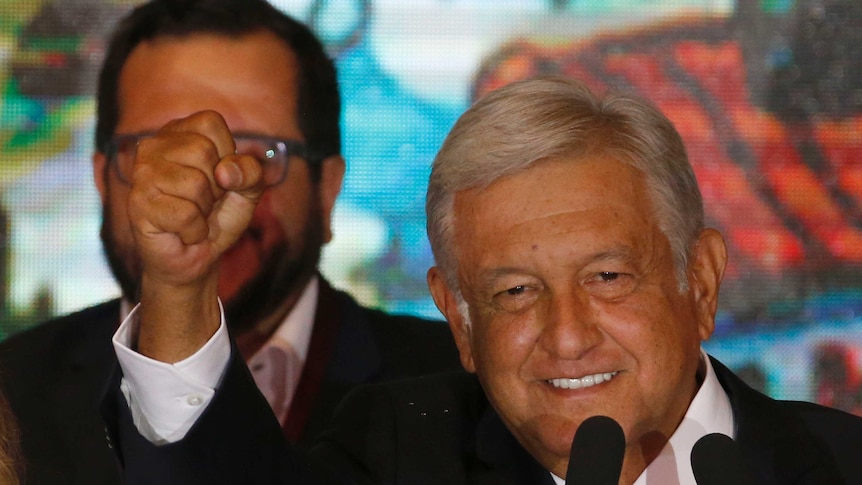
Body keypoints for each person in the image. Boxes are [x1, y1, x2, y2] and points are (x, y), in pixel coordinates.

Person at [107, 76, 862, 484]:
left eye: (607, 275)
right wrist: (178, 285)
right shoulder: (404, 453)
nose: (567, 335)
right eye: (514, 292)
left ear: (699, 282)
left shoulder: (839, 463)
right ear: (460, 321)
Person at [0, 1, 459, 484]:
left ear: (327, 189)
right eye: (161, 155)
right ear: (101, 180)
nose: (207, 191)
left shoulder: (461, 387)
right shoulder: (10, 390)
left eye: (260, 154)